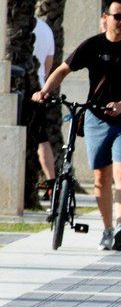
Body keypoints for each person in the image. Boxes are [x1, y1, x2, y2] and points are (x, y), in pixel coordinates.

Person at [34, 0, 121, 251]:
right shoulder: (93, 45)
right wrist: (44, 91)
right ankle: (107, 230)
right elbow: (63, 70)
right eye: (117, 16)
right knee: (101, 178)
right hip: (96, 119)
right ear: (105, 18)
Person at [30, 16, 58, 195]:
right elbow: (48, 67)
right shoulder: (45, 29)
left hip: (15, 87)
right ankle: (51, 185)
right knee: (41, 139)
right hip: (38, 88)